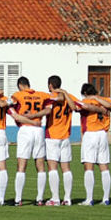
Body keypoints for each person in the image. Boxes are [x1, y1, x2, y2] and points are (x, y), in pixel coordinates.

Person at [10, 76, 53, 206]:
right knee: (40, 165)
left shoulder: (17, 95)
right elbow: (49, 109)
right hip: (39, 129)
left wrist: (30, 119)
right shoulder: (42, 95)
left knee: (21, 165)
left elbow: (12, 111)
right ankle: (39, 199)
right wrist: (36, 117)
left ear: (20, 86)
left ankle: (18, 199)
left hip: (25, 130)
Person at [75, 83, 111, 206]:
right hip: (102, 134)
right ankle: (106, 198)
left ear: (85, 93)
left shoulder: (85, 101)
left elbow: (81, 107)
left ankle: (89, 198)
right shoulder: (104, 100)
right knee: (104, 167)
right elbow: (110, 106)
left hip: (90, 133)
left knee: (88, 166)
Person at [44, 76, 77, 206]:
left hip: (53, 135)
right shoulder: (69, 97)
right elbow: (74, 107)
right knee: (66, 168)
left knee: (52, 167)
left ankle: (55, 198)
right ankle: (67, 198)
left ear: (50, 85)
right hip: (65, 136)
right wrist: (65, 93)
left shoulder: (50, 97)